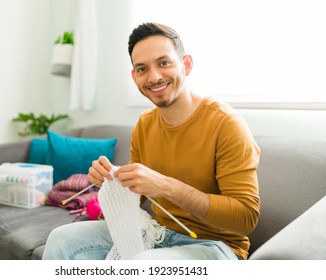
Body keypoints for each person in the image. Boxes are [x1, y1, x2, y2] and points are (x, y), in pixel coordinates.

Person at [42, 22, 260, 260]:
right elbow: (139, 196)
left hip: (216, 246)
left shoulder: (227, 124)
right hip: (156, 234)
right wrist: (110, 182)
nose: (154, 77)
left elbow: (246, 218)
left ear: (186, 65)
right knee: (61, 239)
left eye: (164, 63)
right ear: (134, 76)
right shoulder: (145, 124)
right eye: (142, 69)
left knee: (144, 264)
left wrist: (166, 186)